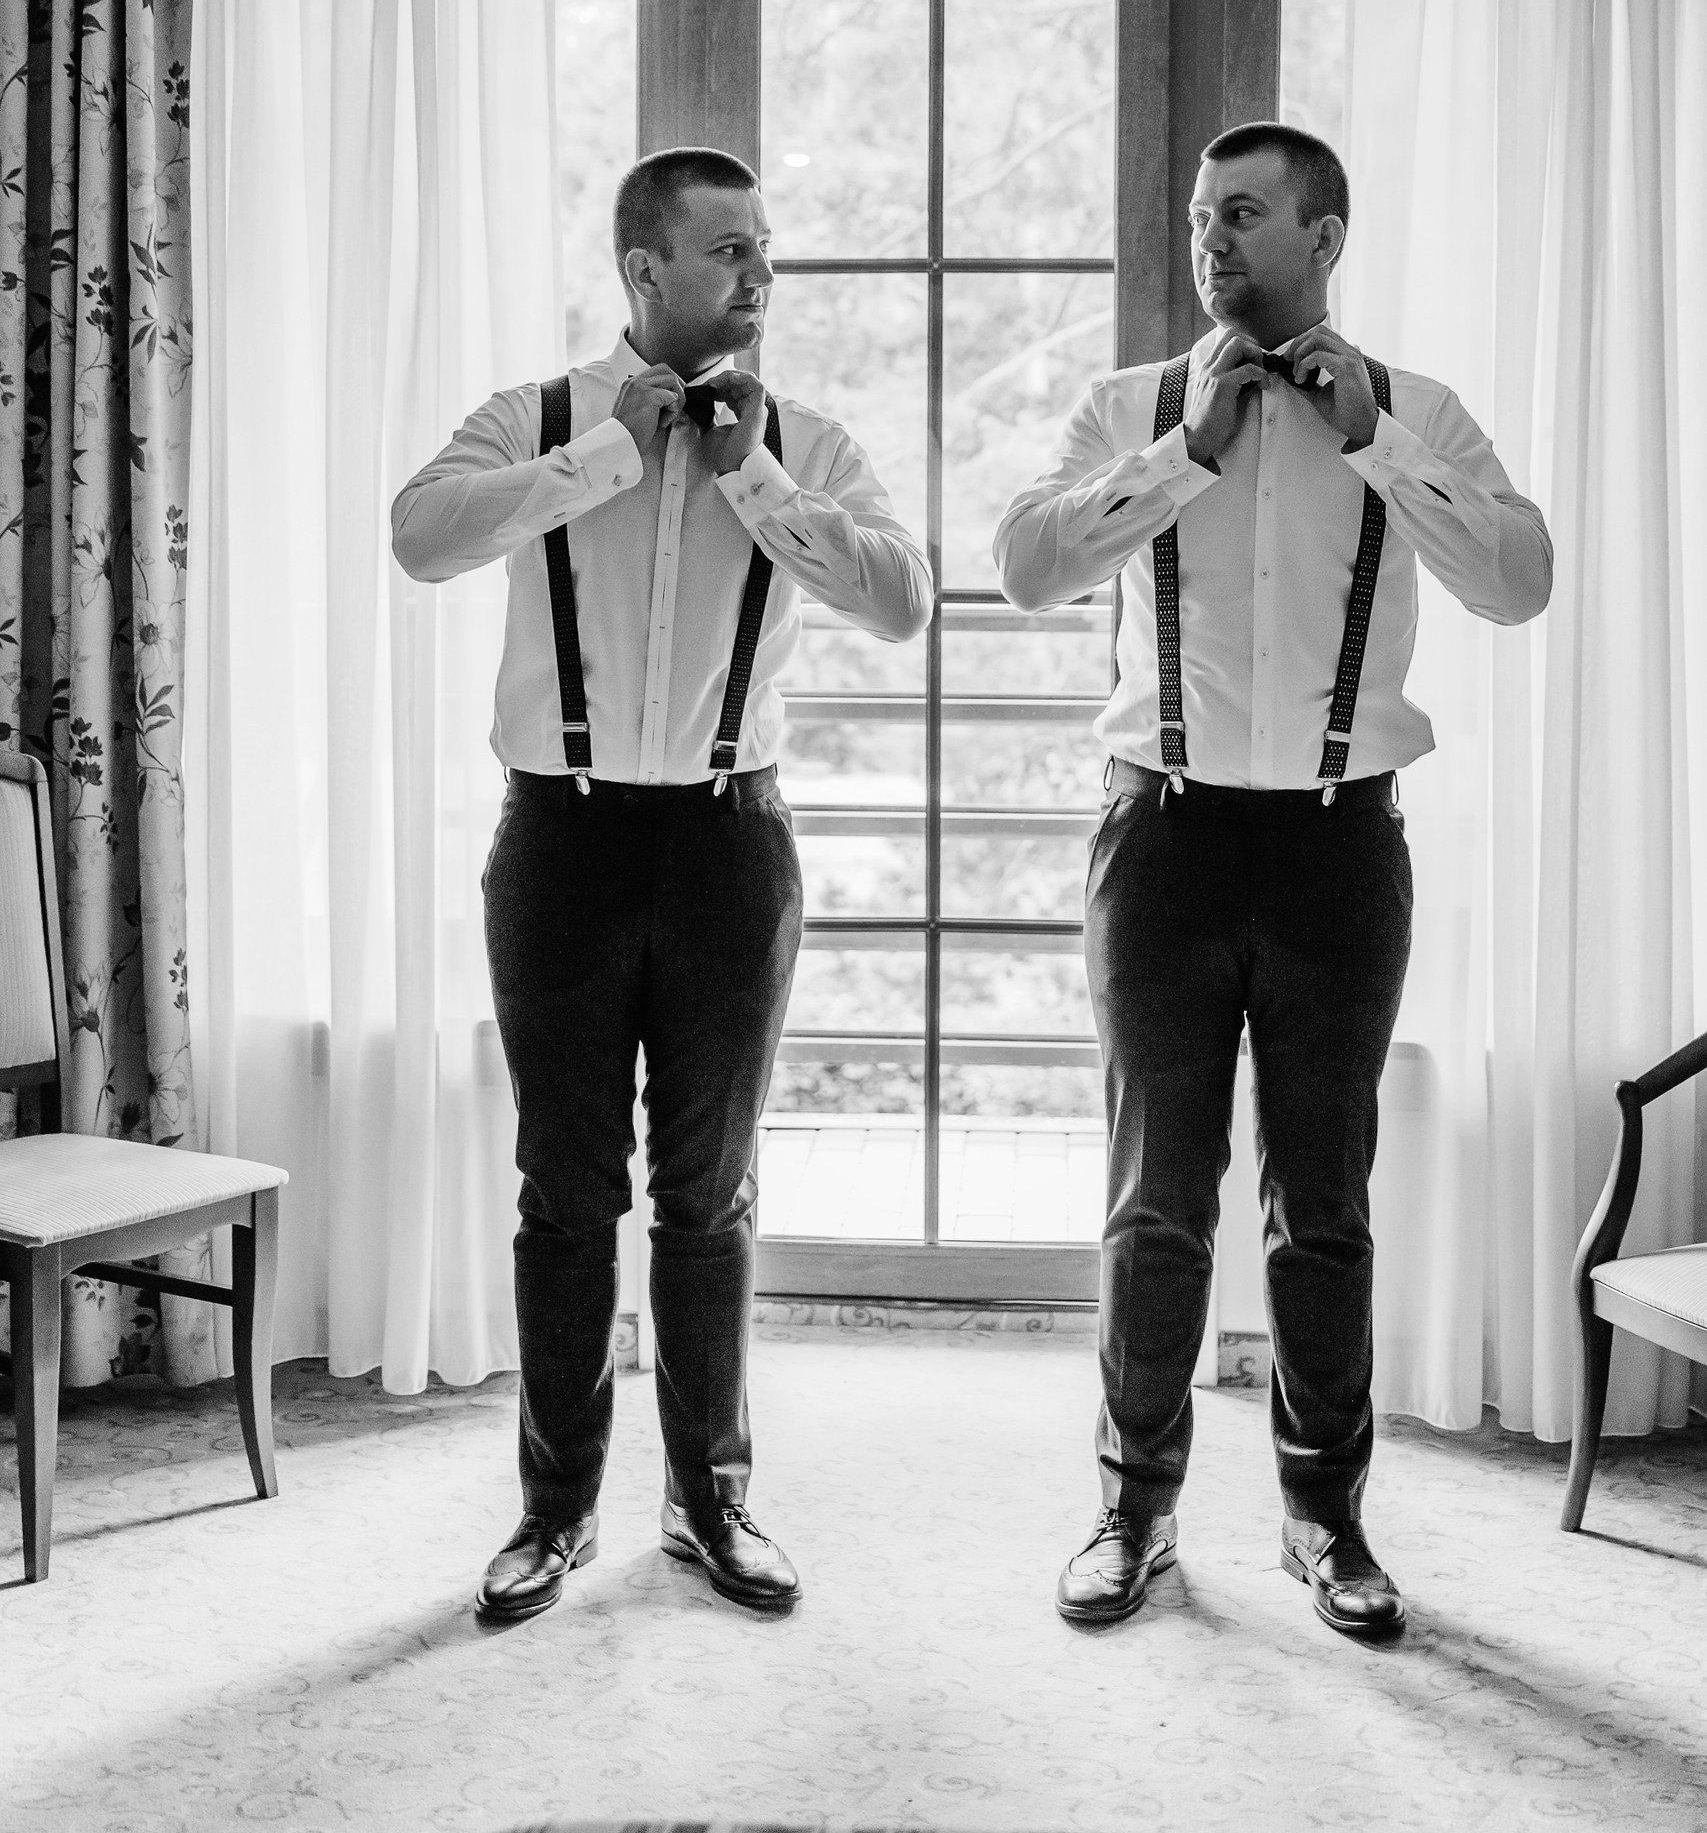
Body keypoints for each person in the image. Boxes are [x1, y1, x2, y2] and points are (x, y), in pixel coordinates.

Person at [995, 122, 1552, 1641]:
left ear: (1326, 234)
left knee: (1325, 1202)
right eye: (1201, 216)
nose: (1211, 240)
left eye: (1242, 214)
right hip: (1162, 842)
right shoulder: (1130, 406)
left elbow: (1517, 582)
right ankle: (1133, 1511)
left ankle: (1325, 1520)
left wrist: (1375, 442)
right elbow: (1030, 566)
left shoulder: (1417, 411)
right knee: (1155, 1202)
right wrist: (1183, 455)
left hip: (1337, 846)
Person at [392, 146, 930, 1626]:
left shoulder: (802, 438)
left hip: (727, 844)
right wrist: (603, 459)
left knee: (710, 1191)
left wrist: (750, 474)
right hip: (557, 843)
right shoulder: (533, 418)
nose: (763, 275)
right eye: (732, 250)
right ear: (646, 269)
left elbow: (901, 602)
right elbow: (420, 537)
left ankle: (710, 1501)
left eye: (765, 249)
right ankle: (554, 1510)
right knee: (566, 1189)